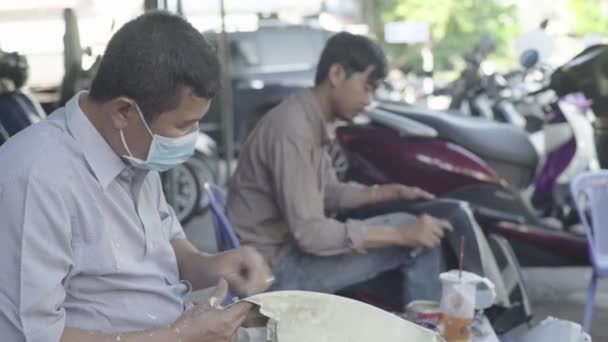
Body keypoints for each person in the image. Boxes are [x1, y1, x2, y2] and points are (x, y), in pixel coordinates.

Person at [0, 12, 272, 342]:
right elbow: (37, 336)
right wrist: (177, 336)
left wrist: (210, 265)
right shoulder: (35, 180)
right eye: (183, 126)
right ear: (124, 111)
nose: (191, 136)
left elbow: (167, 250)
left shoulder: (132, 149)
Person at [225, 32, 483, 307]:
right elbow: (311, 234)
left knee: (414, 224)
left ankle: (426, 322)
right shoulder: (293, 130)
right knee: (417, 238)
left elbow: (328, 193)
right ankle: (428, 329)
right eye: (367, 87)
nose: (369, 100)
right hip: (273, 271)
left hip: (281, 253)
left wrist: (387, 192)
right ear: (337, 74)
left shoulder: (308, 119)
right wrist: (401, 234)